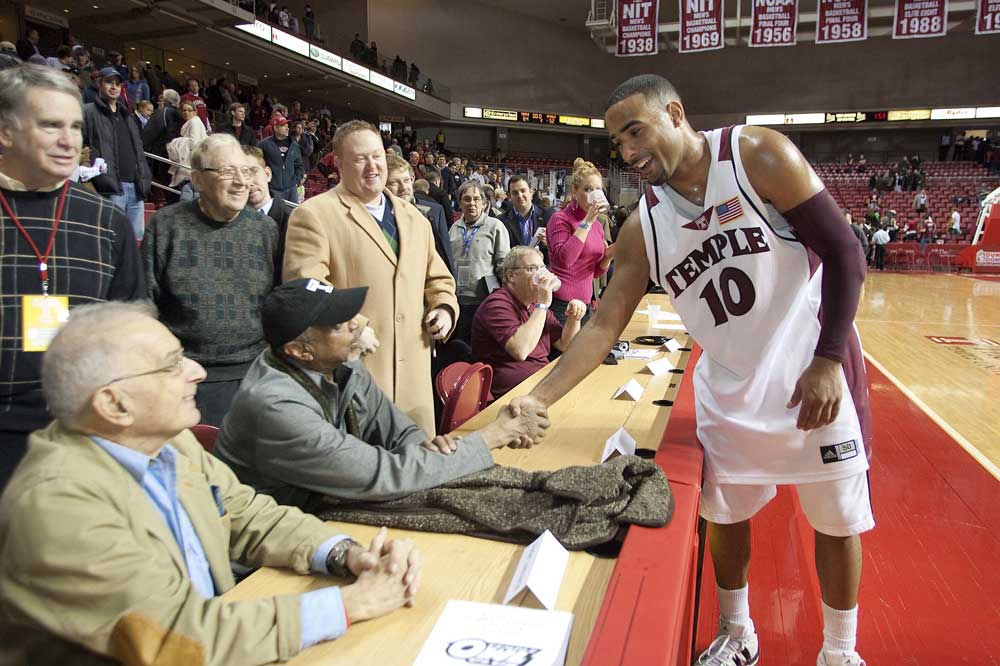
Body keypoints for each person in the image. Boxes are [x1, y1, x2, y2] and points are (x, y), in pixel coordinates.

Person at [510, 75, 872, 666]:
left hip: (810, 370)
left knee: (834, 519)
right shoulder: (642, 226)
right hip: (731, 384)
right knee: (726, 516)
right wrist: (542, 397)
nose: (627, 152)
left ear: (675, 113)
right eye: (617, 142)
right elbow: (602, 328)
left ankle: (840, 652)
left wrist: (830, 358)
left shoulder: (756, 155)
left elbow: (846, 252)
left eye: (635, 131)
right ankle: (738, 632)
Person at [0, 300, 422, 664]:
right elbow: (173, 640)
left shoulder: (171, 444)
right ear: (114, 403)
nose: (198, 371)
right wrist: (350, 604)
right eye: (171, 365)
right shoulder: (58, 505)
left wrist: (345, 555)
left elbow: (248, 514)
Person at [215, 278, 549, 506]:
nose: (356, 323)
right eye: (338, 324)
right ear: (300, 350)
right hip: (267, 558)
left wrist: (432, 449)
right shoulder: (274, 407)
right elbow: (381, 475)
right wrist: (492, 435)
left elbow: (400, 433)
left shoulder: (341, 364)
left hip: (328, 512)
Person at [0, 65, 144, 488]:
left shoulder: (106, 221)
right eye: (50, 125)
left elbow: (131, 331)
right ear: (6, 132)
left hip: (82, 438)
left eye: (76, 127)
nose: (69, 142)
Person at [283, 120, 457, 435]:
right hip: (357, 372)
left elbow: (439, 280)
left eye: (377, 156)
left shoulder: (414, 218)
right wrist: (352, 329)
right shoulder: (313, 215)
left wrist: (444, 308)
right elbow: (305, 291)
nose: (372, 166)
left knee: (419, 471)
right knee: (367, 473)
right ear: (338, 164)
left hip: (415, 380)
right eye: (360, 158)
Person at [142, 134, 279, 427]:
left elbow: (278, 301)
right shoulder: (166, 226)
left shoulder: (266, 230)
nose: (242, 182)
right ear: (198, 180)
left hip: (256, 373)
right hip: (188, 376)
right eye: (228, 171)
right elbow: (144, 303)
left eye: (247, 171)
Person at [472, 247, 585, 398]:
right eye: (532, 269)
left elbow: (565, 344)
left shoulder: (533, 305)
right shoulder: (497, 304)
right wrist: (543, 305)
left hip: (540, 381)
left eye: (542, 268)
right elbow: (520, 350)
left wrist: (574, 317)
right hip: (512, 394)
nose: (541, 275)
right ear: (511, 275)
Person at [81, 66, 153, 243]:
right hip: (111, 187)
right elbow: (80, 144)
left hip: (135, 187)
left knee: (136, 243)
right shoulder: (88, 112)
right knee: (111, 242)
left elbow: (137, 150)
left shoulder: (127, 115)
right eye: (109, 82)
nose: (114, 87)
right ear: (99, 84)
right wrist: (90, 170)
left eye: (117, 84)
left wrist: (143, 178)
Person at [545, 158, 614, 325]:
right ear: (575, 192)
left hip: (586, 304)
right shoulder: (560, 219)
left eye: (598, 189)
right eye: (588, 189)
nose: (594, 194)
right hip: (562, 305)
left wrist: (608, 256)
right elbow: (565, 260)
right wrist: (587, 223)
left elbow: (594, 272)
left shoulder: (598, 225)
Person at [449, 180, 511, 346]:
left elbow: (504, 266)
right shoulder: (454, 228)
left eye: (476, 199)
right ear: (460, 203)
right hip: (458, 301)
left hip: (484, 302)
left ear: (484, 203)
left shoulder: (495, 226)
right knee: (459, 348)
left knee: (481, 349)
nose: (472, 203)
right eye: (467, 199)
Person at [386, 153, 453, 276]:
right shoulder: (379, 220)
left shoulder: (435, 211)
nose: (403, 188)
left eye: (406, 180)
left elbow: (445, 258)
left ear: (413, 179)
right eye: (394, 182)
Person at [245, 144, 292, 276]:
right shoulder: (228, 221)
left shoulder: (293, 220)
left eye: (253, 172)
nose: (249, 183)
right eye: (243, 175)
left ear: (268, 174)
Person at [497, 174, 555, 247]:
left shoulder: (549, 216)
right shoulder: (501, 222)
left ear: (531, 191)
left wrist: (550, 243)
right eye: (515, 193)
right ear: (509, 196)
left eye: (523, 191)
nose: (520, 195)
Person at [166, 100, 208, 199]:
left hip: (192, 167)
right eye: (184, 110)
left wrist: (178, 141)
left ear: (195, 112)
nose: (186, 112)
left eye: (189, 110)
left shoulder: (194, 122)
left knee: (188, 197)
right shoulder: (192, 122)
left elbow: (194, 144)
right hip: (194, 167)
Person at [258, 115, 304, 203]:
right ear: (275, 128)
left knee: (291, 215)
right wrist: (266, 182)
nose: (287, 128)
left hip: (291, 189)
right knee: (275, 215)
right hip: (273, 189)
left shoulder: (293, 144)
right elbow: (257, 164)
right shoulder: (263, 144)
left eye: (287, 126)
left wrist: (295, 181)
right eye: (283, 126)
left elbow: (299, 165)